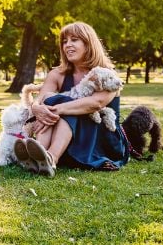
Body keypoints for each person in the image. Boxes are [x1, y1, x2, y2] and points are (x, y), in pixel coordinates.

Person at [22, 21, 129, 177]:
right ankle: (39, 154)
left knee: (63, 103)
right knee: (50, 101)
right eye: (64, 41)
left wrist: (54, 109)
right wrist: (37, 108)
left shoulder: (106, 74)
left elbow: (95, 104)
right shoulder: (57, 74)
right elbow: (41, 99)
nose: (67, 45)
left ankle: (50, 158)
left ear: (88, 43)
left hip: (101, 140)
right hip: (68, 138)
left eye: (74, 40)